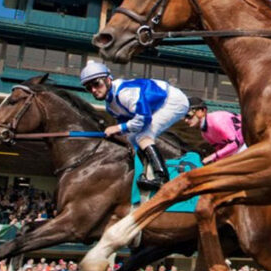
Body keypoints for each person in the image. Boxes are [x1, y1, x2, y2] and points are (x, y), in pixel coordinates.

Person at [79, 60, 190, 190]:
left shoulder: (124, 93)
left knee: (143, 135)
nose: (93, 90)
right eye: (88, 87)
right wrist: (117, 132)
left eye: (96, 84)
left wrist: (117, 128)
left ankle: (161, 178)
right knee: (132, 138)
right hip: (155, 106)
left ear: (108, 80)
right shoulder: (110, 107)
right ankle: (145, 172)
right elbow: (128, 128)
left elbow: (143, 118)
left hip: (173, 100)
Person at [184, 97, 246, 164]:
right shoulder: (204, 133)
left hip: (248, 140)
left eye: (188, 115)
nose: (186, 120)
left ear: (202, 111)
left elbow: (236, 143)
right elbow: (221, 149)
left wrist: (213, 157)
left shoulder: (216, 120)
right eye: (184, 116)